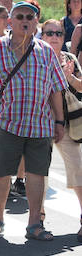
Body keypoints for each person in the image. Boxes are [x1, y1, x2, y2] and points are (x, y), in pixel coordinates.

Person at [0, 2, 68, 242]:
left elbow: (56, 90)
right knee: (1, 174)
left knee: (37, 174)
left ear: (36, 24)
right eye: (20, 16)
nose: (25, 20)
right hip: (6, 123)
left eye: (30, 17)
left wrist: (59, 121)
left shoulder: (46, 51)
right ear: (10, 22)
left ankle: (35, 223)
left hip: (40, 124)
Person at [39, 19, 82, 239]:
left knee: (78, 169)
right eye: (49, 33)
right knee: (39, 174)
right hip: (42, 123)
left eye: (58, 32)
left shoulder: (71, 59)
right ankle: (38, 219)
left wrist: (70, 77)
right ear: (42, 36)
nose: (54, 36)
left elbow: (81, 87)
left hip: (68, 123)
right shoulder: (35, 58)